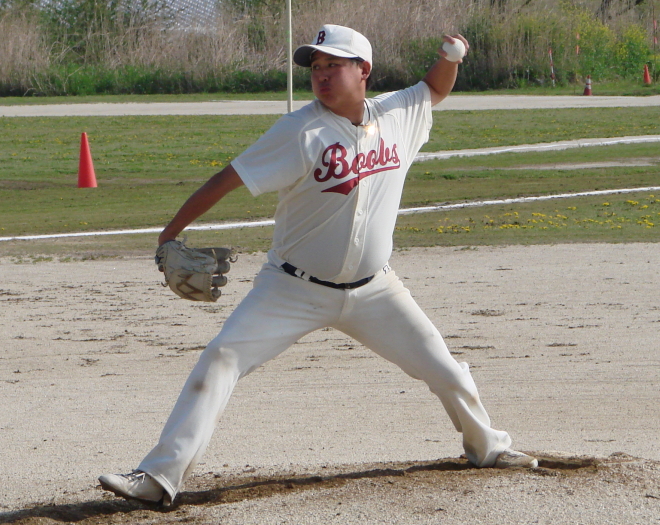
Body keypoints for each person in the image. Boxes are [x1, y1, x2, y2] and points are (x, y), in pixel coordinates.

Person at [99, 24, 537, 506]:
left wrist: (451, 59)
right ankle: (159, 477)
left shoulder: (397, 113)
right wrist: (169, 234)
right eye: (316, 67)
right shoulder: (299, 130)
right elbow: (227, 179)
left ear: (363, 70)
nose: (321, 75)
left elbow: (434, 88)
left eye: (333, 65)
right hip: (292, 290)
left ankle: (488, 447)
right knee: (221, 358)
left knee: (446, 371)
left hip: (377, 292)